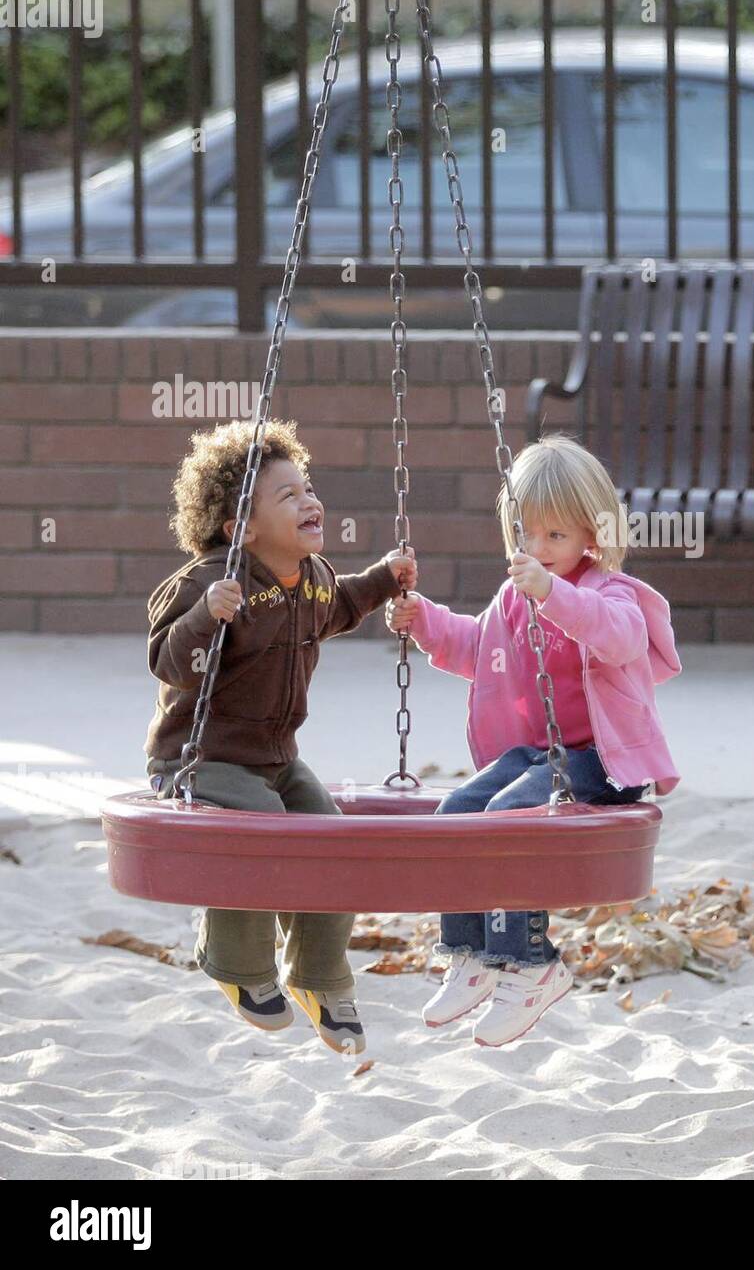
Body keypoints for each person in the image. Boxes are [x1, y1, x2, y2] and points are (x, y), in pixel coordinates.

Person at [386, 434, 681, 1047]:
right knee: (457, 811)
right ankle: (471, 954)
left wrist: (552, 594)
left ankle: (532, 963)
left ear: (591, 535)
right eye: (526, 532)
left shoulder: (610, 592)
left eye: (556, 535)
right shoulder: (514, 597)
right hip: (538, 759)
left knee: (510, 815)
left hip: (602, 762)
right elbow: (477, 648)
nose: (538, 549)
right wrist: (424, 620)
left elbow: (620, 638)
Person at [145, 418, 416, 1056]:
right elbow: (169, 661)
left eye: (309, 488)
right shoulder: (210, 582)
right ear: (241, 527)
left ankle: (319, 976)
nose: (309, 501)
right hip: (200, 759)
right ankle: (237, 963)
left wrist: (385, 578)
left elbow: (340, 605)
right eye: (288, 495)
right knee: (261, 831)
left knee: (329, 839)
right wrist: (205, 615)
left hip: (274, 758)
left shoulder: (312, 576)